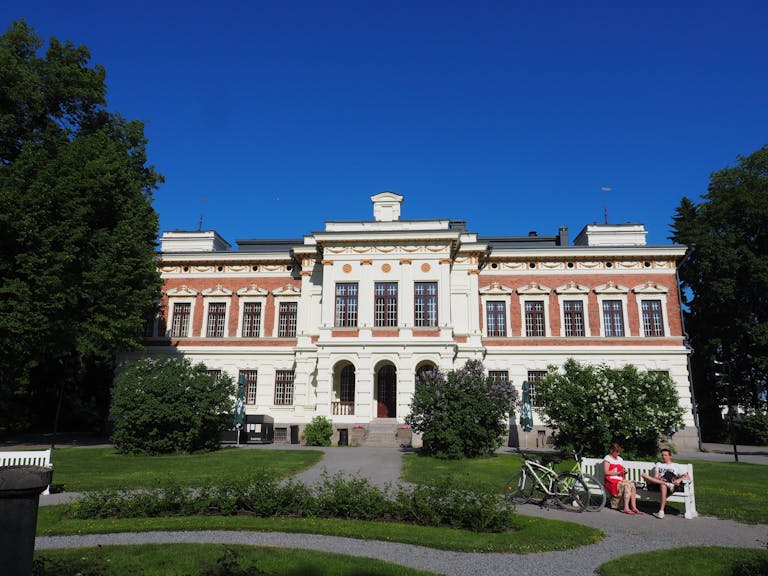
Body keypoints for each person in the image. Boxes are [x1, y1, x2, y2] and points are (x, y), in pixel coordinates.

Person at [641, 448, 691, 519]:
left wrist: (680, 479)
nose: (664, 457)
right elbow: (655, 476)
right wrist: (660, 479)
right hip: (658, 483)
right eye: (662, 455)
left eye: (665, 455)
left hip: (670, 485)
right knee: (644, 475)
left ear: (670, 456)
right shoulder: (659, 464)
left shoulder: (676, 465)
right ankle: (666, 484)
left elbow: (688, 478)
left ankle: (661, 511)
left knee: (663, 485)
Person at [603, 443, 643, 515]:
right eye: (617, 452)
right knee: (627, 485)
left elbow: (620, 471)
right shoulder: (607, 458)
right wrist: (618, 473)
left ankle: (634, 507)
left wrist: (623, 472)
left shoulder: (620, 459)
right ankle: (626, 508)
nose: (618, 453)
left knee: (632, 484)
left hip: (619, 479)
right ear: (611, 450)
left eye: (619, 452)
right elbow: (606, 472)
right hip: (611, 480)